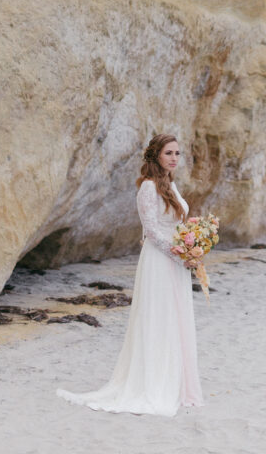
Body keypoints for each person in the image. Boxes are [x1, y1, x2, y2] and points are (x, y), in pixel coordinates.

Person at [56, 133, 205, 416]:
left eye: (177, 153)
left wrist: (192, 244)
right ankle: (153, 383)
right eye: (168, 153)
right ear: (156, 156)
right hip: (160, 261)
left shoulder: (172, 186)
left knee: (176, 319)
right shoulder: (148, 188)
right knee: (159, 318)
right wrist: (180, 253)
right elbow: (151, 231)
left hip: (176, 261)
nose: (174, 158)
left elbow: (178, 223)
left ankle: (176, 382)